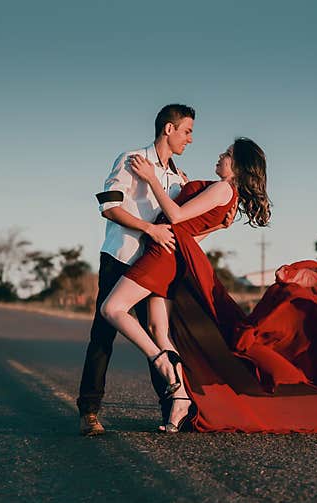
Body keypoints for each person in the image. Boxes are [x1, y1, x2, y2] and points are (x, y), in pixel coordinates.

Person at [101, 138, 317, 433]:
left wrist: (150, 179)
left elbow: (176, 216)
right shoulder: (229, 199)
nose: (220, 157)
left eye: (227, 155)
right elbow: (194, 234)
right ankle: (181, 399)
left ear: (237, 166)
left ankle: (162, 363)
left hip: (162, 254)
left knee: (112, 308)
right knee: (159, 330)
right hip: (175, 256)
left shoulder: (223, 188)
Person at [76, 104, 194, 436]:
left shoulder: (177, 175)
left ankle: (171, 409)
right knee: (103, 334)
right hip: (122, 257)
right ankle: (89, 411)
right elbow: (109, 207)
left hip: (156, 265)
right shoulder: (131, 159)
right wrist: (149, 229)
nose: (190, 139)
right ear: (168, 129)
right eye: (187, 131)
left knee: (157, 334)